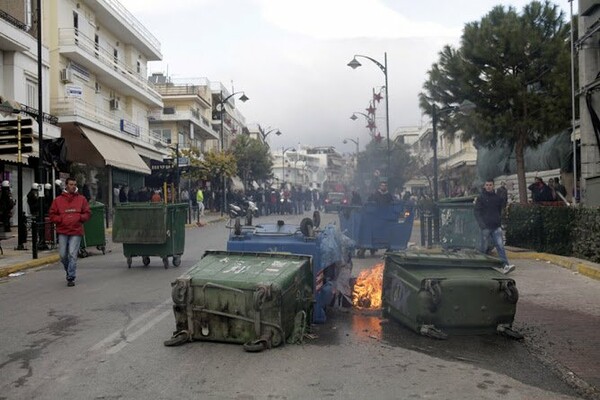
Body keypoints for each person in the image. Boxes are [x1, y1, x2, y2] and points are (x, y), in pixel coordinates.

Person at [48, 177, 91, 286]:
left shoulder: (82, 199)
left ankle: (71, 276)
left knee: (72, 254)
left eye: (75, 184)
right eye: (71, 184)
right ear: (66, 185)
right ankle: (69, 270)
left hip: (76, 231)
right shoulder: (58, 200)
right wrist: (61, 219)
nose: (73, 186)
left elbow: (87, 213)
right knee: (63, 255)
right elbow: (52, 214)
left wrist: (79, 218)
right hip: (63, 230)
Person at [474, 179, 515, 274]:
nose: (488, 186)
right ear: (484, 186)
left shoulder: (497, 198)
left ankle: (505, 266)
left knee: (500, 246)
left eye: (490, 185)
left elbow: (501, 208)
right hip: (485, 227)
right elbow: (477, 212)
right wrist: (482, 225)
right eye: (487, 185)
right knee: (483, 248)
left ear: (493, 186)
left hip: (496, 226)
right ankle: (480, 267)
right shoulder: (481, 198)